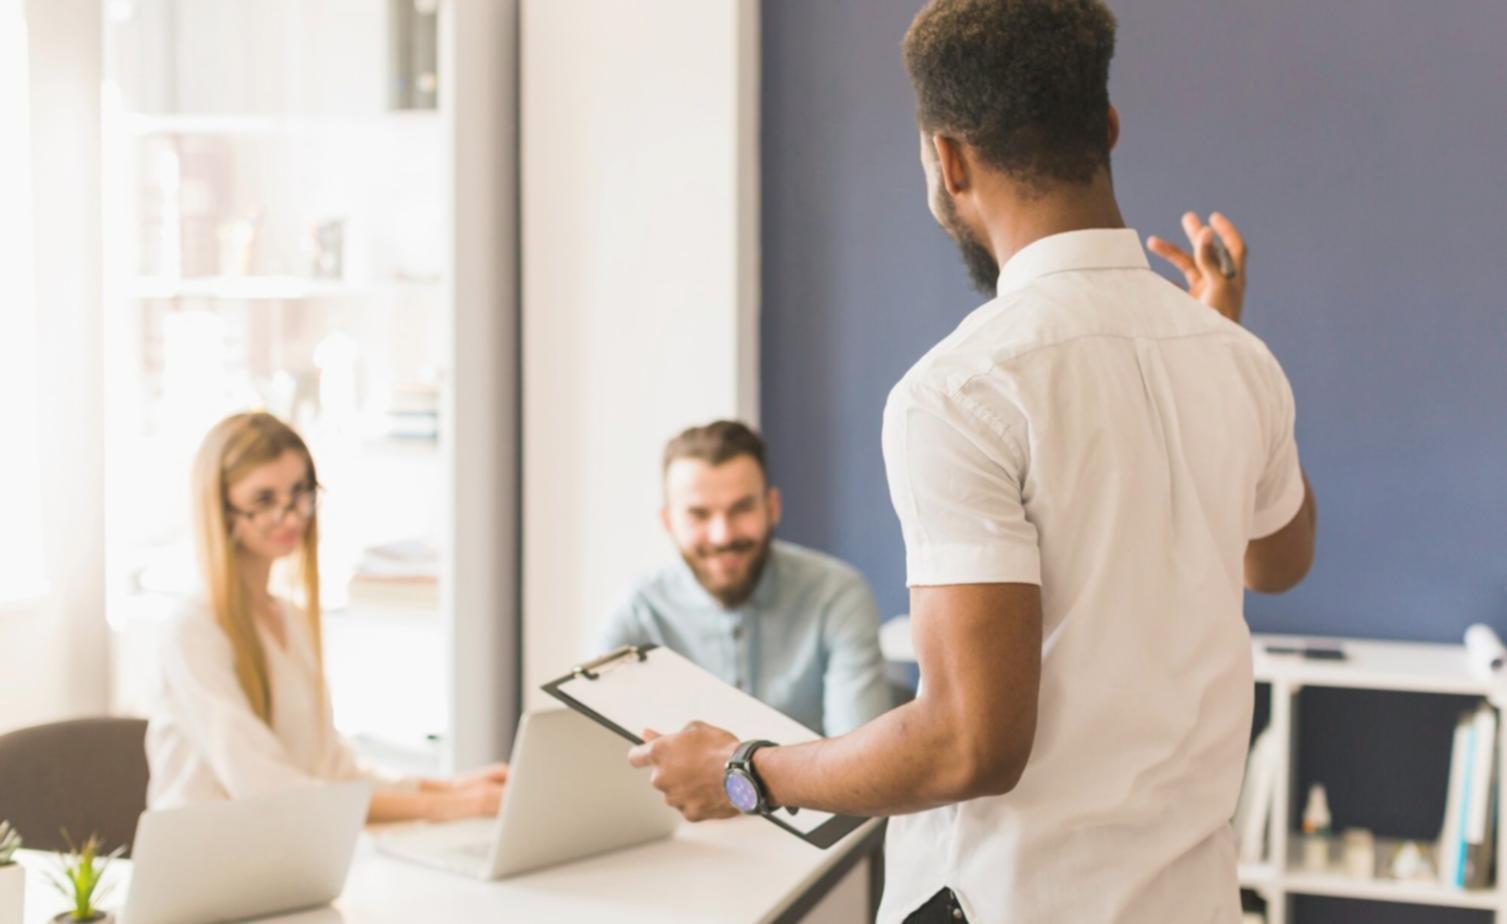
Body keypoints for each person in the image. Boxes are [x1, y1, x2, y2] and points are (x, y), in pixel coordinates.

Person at [627, 3, 1317, 922]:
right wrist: (1208, 345)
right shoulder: (1236, 358)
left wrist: (745, 773)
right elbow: (1276, 561)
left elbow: (967, 744)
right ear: (1105, 130)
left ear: (948, 160)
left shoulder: (957, 391)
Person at [146, 411, 507, 822]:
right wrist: (447, 807)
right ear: (222, 509)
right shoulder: (194, 629)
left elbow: (332, 770)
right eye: (264, 500)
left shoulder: (291, 619)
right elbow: (265, 788)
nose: (293, 516)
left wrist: (451, 787)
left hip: (282, 854)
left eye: (299, 492)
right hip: (206, 865)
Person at [598, 420, 890, 736]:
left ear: (772, 507)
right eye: (699, 514)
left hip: (814, 789)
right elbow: (597, 740)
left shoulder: (837, 595)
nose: (723, 535)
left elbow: (860, 756)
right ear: (669, 522)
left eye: (742, 508)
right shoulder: (639, 609)